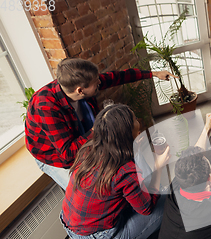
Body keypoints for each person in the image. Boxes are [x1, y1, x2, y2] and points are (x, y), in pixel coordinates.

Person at [25, 57, 175, 190]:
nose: (100, 83)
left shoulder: (79, 84)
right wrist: (101, 126)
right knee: (86, 191)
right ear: (80, 90)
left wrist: (154, 74)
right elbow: (68, 154)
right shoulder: (45, 107)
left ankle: (150, 188)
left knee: (130, 151)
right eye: (96, 84)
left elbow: (118, 77)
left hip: (86, 138)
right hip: (55, 157)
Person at [60, 104, 170, 239]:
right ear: (125, 133)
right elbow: (147, 209)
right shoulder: (125, 171)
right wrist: (158, 166)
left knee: (136, 154)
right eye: (134, 120)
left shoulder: (88, 148)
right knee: (169, 200)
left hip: (72, 224)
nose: (138, 121)